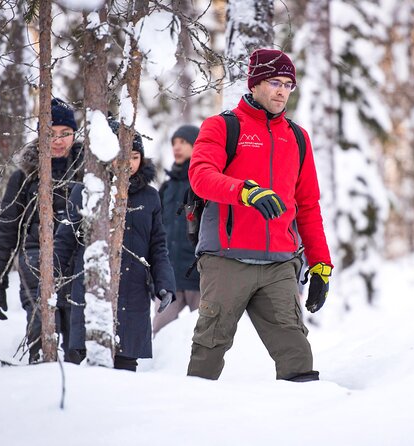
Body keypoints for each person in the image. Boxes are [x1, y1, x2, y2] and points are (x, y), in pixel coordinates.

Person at [187, 48, 333, 382]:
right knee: (209, 349)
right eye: (274, 82)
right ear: (254, 84)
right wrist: (245, 191)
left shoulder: (297, 137)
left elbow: (308, 206)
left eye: (288, 84)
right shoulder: (222, 126)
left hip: (279, 265)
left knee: (297, 354)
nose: (282, 91)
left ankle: (299, 427)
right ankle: (193, 422)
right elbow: (200, 176)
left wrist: (321, 265)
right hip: (226, 259)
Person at [53, 119, 176, 371]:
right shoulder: (85, 191)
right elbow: (65, 243)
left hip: (133, 295)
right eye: (122, 156)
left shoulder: (150, 197)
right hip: (90, 292)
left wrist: (164, 285)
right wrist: (51, 280)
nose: (129, 164)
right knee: (85, 365)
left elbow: (158, 246)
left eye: (134, 156)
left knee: (125, 370)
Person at [0, 97, 82, 364]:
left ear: (74, 134)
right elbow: (7, 231)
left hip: (76, 265)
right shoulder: (24, 178)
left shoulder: (86, 173)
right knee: (41, 334)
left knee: (76, 343)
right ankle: (39, 384)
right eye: (50, 134)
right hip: (35, 261)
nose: (59, 141)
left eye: (65, 134)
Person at [152, 124, 201, 335]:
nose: (177, 147)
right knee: (159, 331)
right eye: (174, 143)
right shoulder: (167, 186)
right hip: (169, 277)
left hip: (198, 276)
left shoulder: (202, 182)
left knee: (203, 334)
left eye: (183, 142)